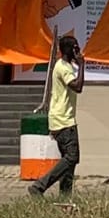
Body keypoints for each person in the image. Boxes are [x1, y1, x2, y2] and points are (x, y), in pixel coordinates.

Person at [29, 34, 84, 200]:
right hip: (64, 121)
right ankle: (39, 186)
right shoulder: (63, 68)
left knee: (68, 162)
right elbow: (78, 87)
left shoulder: (64, 65)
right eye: (76, 48)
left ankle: (65, 197)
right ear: (70, 50)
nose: (79, 51)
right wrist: (82, 65)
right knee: (72, 157)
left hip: (60, 119)